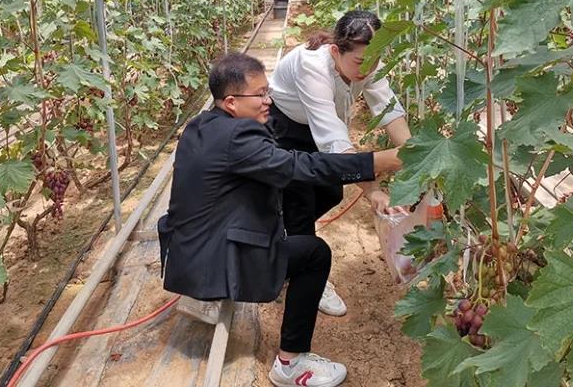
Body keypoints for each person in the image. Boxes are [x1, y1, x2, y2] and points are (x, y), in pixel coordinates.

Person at [159, 53, 402, 387]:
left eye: (268, 91)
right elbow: (299, 167)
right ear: (231, 102)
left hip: (186, 254)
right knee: (314, 254)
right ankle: (290, 363)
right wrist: (377, 162)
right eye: (259, 95)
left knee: (300, 200)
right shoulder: (239, 138)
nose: (268, 101)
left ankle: (211, 294)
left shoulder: (201, 125)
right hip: (212, 263)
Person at [268, 10, 412, 315]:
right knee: (300, 200)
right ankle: (303, 272)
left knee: (331, 192)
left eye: (374, 59)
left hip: (320, 127)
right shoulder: (312, 68)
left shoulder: (367, 60)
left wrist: (415, 154)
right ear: (335, 51)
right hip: (288, 129)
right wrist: (372, 190)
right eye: (360, 62)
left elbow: (389, 110)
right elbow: (335, 144)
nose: (368, 68)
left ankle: (279, 233)